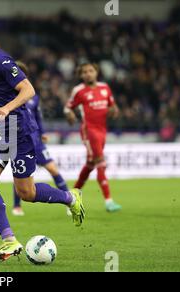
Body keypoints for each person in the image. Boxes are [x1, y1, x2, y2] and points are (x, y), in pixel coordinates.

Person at [0, 15, 85, 262]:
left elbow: (28, 90)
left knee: (26, 192)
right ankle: (9, 241)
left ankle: (70, 197)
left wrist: (6, 108)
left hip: (18, 132)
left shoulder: (1, 60)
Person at [11, 61, 70, 217]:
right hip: (20, 141)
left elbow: (37, 117)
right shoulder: (8, 95)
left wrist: (42, 132)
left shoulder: (32, 96)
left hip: (36, 140)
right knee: (20, 176)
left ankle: (69, 200)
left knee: (53, 169)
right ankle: (17, 206)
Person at [64, 62, 121, 212]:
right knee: (100, 162)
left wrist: (114, 111)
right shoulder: (79, 90)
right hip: (89, 131)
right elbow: (68, 107)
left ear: (96, 72)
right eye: (85, 72)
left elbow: (112, 106)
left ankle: (70, 199)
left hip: (102, 130)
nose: (88, 74)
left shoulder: (105, 88)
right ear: (81, 75)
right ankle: (109, 201)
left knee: (90, 164)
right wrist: (69, 114)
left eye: (91, 71)